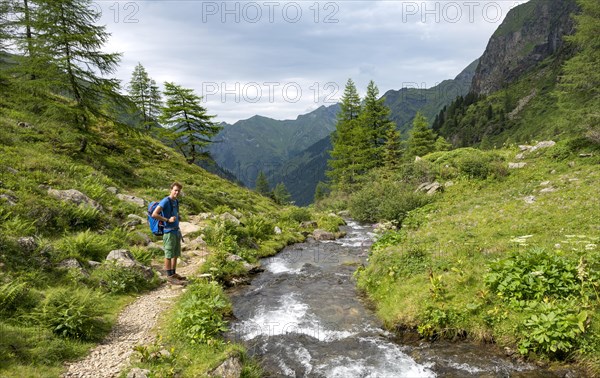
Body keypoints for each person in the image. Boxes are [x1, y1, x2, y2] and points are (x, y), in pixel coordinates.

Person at [152, 182, 186, 284]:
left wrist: (177, 218)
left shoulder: (176, 201)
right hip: (169, 232)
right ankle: (169, 276)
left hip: (176, 231)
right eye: (175, 190)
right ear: (171, 190)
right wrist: (167, 220)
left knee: (175, 253)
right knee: (169, 254)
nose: (177, 192)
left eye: (178, 191)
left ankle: (173, 273)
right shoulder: (165, 201)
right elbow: (154, 214)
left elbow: (175, 213)